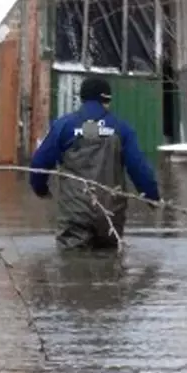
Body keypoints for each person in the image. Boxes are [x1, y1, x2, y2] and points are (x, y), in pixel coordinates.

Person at [29, 75, 161, 250]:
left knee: (71, 266)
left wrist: (41, 190)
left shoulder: (63, 126)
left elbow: (39, 163)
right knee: (109, 268)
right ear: (106, 100)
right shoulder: (121, 128)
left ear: (81, 99)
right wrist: (152, 198)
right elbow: (139, 169)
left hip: (74, 214)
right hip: (110, 214)